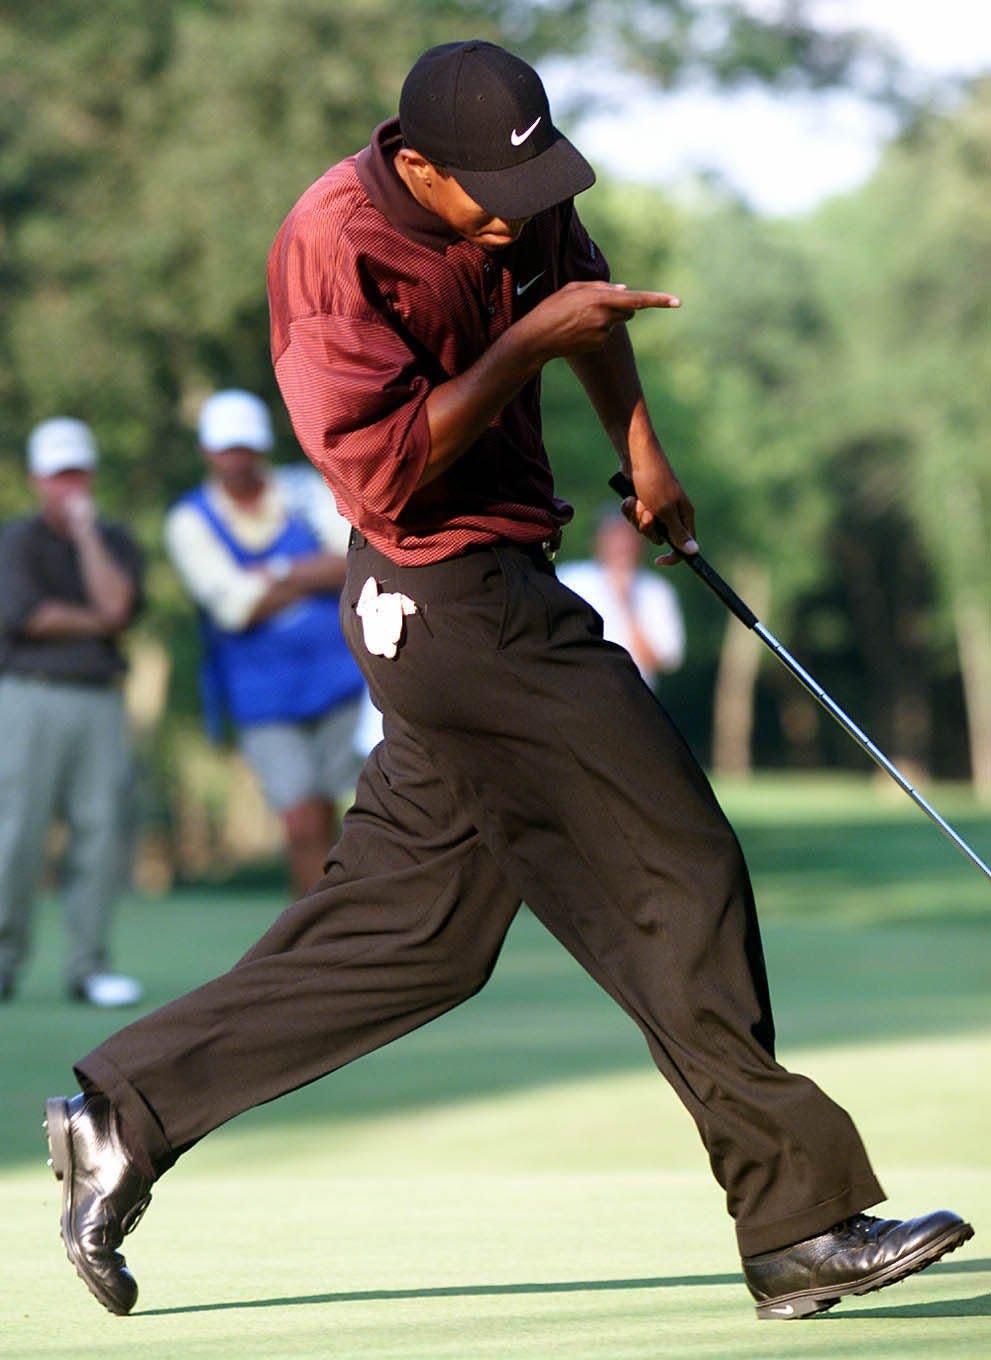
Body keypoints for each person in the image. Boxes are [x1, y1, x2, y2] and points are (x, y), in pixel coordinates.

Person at [46, 40, 971, 1321]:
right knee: (677, 865)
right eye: (491, 191)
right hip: (451, 600)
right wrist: (526, 342)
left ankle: (121, 1114)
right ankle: (797, 1219)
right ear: (416, 164)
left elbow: (582, 299)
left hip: (479, 592)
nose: (517, 210)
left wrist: (642, 451)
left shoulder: (515, 182)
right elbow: (381, 480)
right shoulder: (332, 252)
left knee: (414, 937)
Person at [164, 389, 367, 894]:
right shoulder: (189, 519)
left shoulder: (301, 489)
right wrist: (307, 574)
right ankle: (316, 933)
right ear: (209, 452)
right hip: (262, 694)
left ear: (260, 448)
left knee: (344, 813)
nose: (236, 460)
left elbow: (351, 562)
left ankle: (347, 927)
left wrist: (273, 571)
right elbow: (235, 609)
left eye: (244, 448)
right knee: (300, 819)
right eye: (225, 449)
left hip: (341, 676)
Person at [0, 418, 144, 1008]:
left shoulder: (116, 540)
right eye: (59, 474)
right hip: (29, 696)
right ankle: (4, 962)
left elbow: (117, 604)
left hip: (99, 701)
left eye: (77, 472)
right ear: (38, 478)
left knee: (100, 831)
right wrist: (99, 620)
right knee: (17, 834)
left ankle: (88, 967)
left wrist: (87, 539)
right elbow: (30, 617)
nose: (70, 484)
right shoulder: (15, 540)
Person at [557, 507, 685, 683]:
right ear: (598, 541)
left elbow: (661, 660)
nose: (622, 546)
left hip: (632, 694)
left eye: (628, 539)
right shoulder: (571, 578)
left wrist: (626, 603)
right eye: (614, 538)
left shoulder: (656, 591)